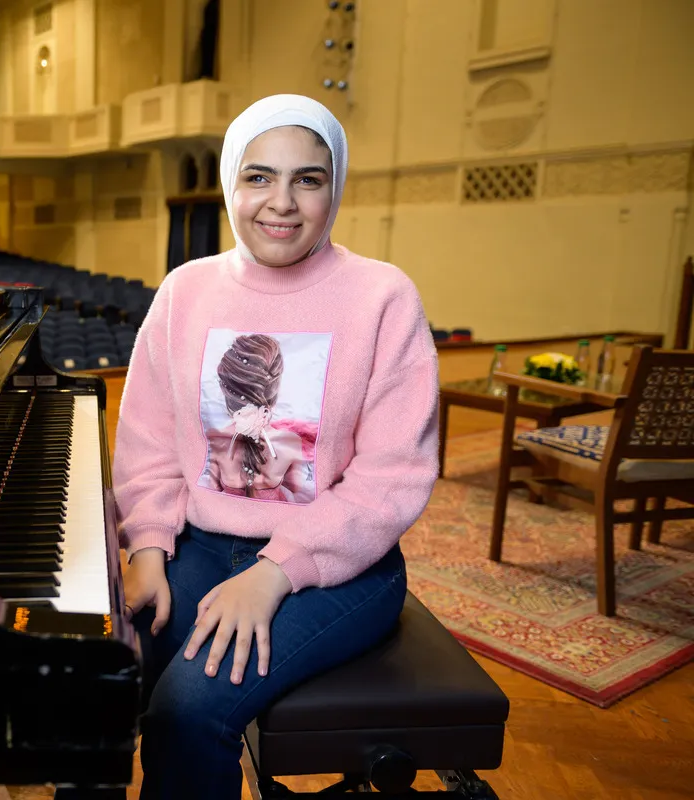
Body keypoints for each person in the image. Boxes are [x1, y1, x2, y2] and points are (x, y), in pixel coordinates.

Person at [112, 94, 440, 799]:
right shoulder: (184, 292)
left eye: (307, 179)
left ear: (334, 187)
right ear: (230, 182)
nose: (282, 202)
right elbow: (147, 442)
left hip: (340, 567)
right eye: (258, 176)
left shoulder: (382, 297)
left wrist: (275, 573)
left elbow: (392, 477)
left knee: (186, 709)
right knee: (109, 678)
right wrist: (147, 547)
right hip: (199, 545)